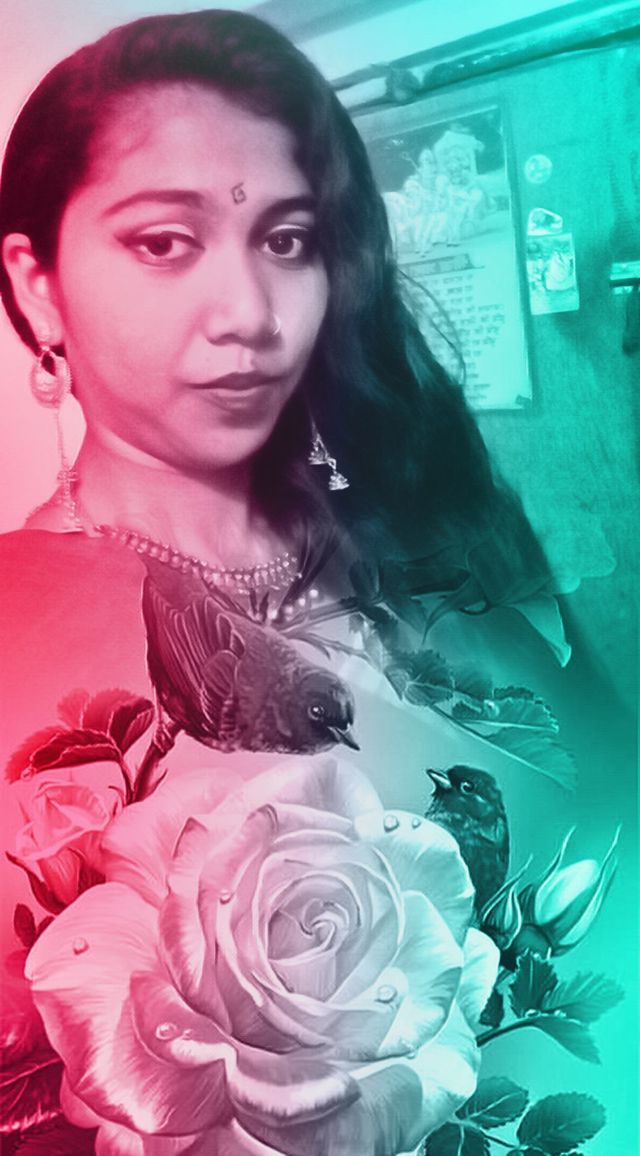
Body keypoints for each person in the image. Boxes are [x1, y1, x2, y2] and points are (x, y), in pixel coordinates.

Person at [0, 10, 632, 1155]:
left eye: (288, 241)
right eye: (164, 243)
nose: (249, 315)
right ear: (37, 286)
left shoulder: (437, 542)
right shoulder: (20, 625)